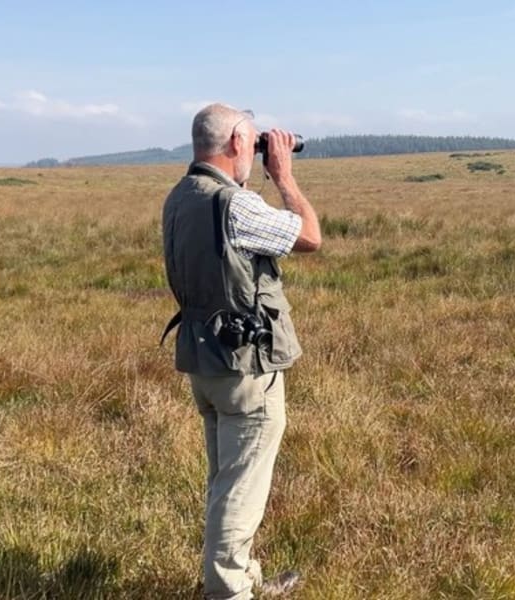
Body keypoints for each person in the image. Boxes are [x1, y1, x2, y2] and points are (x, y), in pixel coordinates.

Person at [161, 103, 321, 599]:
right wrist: (284, 177)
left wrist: (250, 175)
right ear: (235, 143)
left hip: (204, 361)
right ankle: (229, 591)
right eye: (252, 141)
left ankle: (243, 574)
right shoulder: (234, 205)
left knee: (226, 479)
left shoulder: (181, 196)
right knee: (240, 489)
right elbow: (310, 236)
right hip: (246, 367)